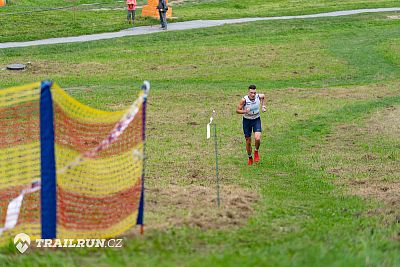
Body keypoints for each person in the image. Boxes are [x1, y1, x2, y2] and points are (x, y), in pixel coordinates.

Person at [236, 85, 266, 166]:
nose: (253, 94)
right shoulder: (244, 100)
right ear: (248, 92)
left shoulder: (258, 96)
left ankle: (256, 151)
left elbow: (263, 96)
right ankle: (250, 157)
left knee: (257, 137)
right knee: (248, 141)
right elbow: (237, 110)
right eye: (251, 93)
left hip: (256, 119)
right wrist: (245, 111)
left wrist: (263, 106)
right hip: (247, 121)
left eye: (254, 93)